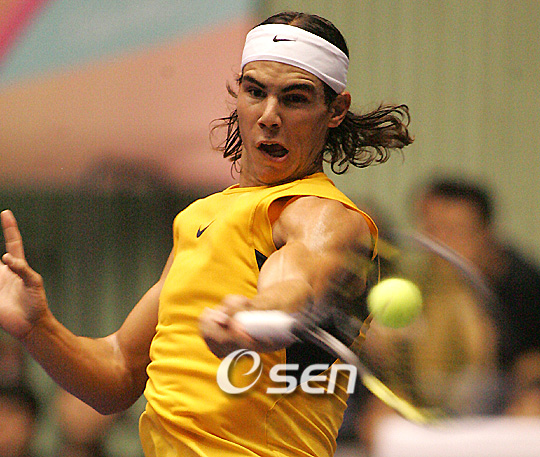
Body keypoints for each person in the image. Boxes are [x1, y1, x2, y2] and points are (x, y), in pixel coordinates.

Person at [0, 11, 413, 457]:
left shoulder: (326, 215)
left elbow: (297, 285)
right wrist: (37, 328)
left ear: (336, 110)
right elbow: (118, 373)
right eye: (255, 92)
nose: (269, 116)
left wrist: (254, 316)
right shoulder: (200, 218)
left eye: (295, 99)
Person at [413, 176, 540, 414]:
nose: (439, 244)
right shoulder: (421, 281)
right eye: (432, 229)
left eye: (453, 230)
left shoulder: (523, 284)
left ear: (484, 232)